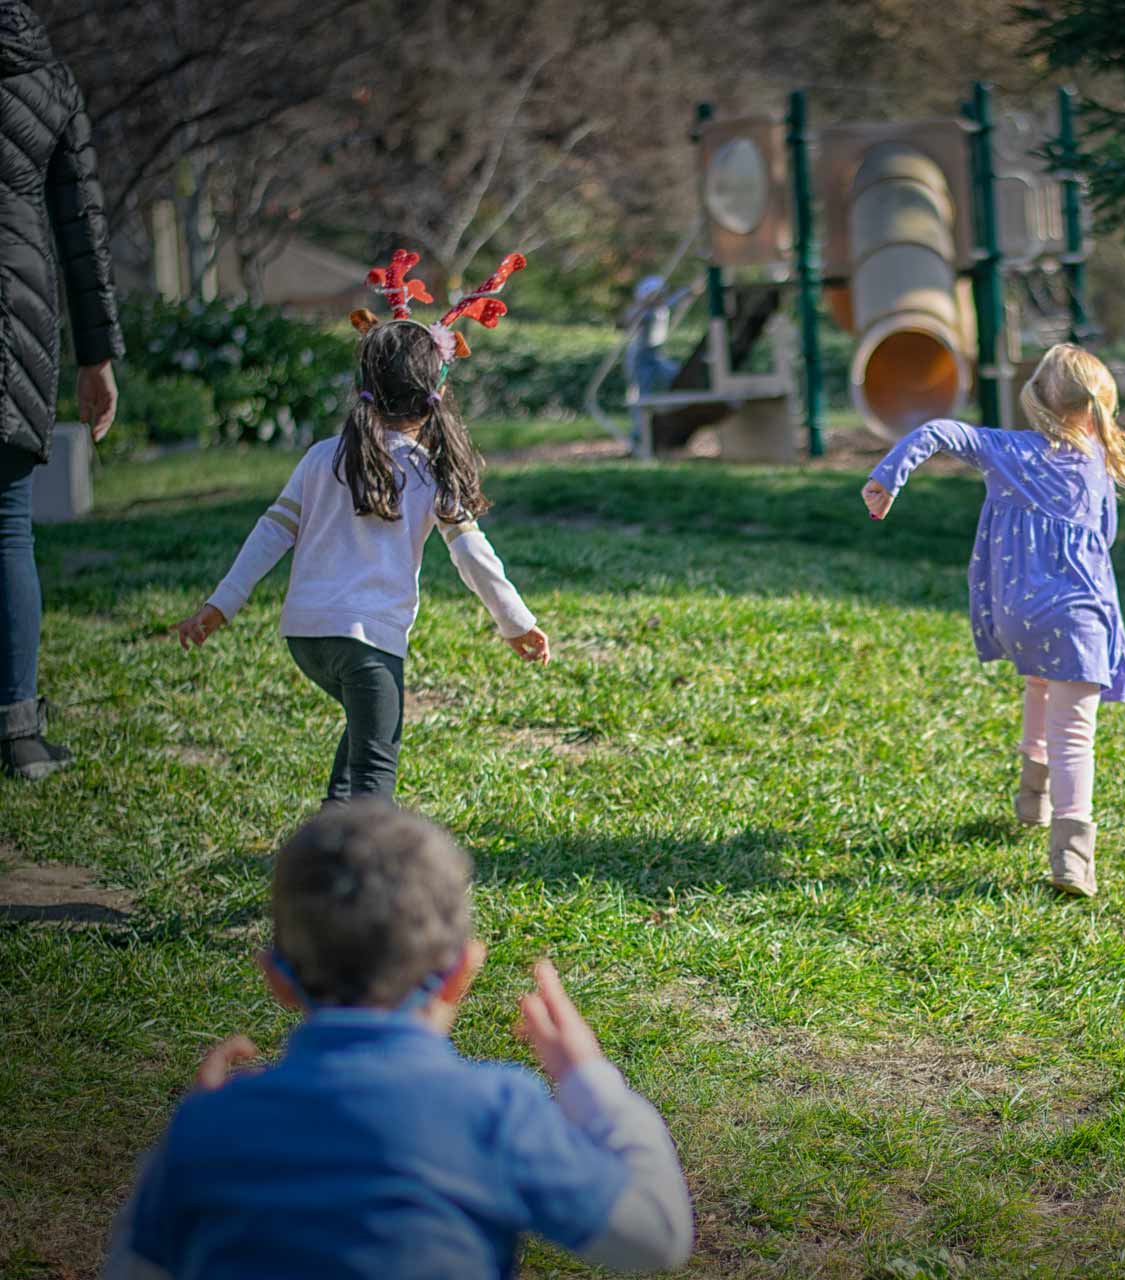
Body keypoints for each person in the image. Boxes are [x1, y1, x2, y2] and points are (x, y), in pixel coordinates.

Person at [102, 801, 696, 1279]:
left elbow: (135, 1265)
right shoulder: (495, 1112)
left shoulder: (212, 1129)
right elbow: (657, 1236)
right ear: (463, 970)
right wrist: (587, 1081)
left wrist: (189, 1136)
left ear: (276, 978)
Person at [173, 250, 549, 804]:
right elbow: (473, 557)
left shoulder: (321, 456)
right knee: (376, 771)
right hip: (370, 643)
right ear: (436, 395)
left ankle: (330, 846)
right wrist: (515, 622)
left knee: (360, 742)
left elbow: (270, 533)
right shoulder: (429, 473)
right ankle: (359, 877)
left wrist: (221, 604)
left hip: (305, 636)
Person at [859, 344, 1125, 897]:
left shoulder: (1006, 450)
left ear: (1034, 400)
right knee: (1074, 735)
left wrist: (888, 478)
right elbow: (1106, 536)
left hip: (1019, 613)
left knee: (1040, 679)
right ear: (1097, 408)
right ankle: (1071, 859)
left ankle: (1030, 800)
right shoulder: (1096, 458)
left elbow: (940, 430)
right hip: (1078, 614)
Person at [0, 0, 122, 780]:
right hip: (18, 317)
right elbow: (81, 221)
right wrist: (97, 355)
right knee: (7, 527)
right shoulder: (46, 73)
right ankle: (18, 733)